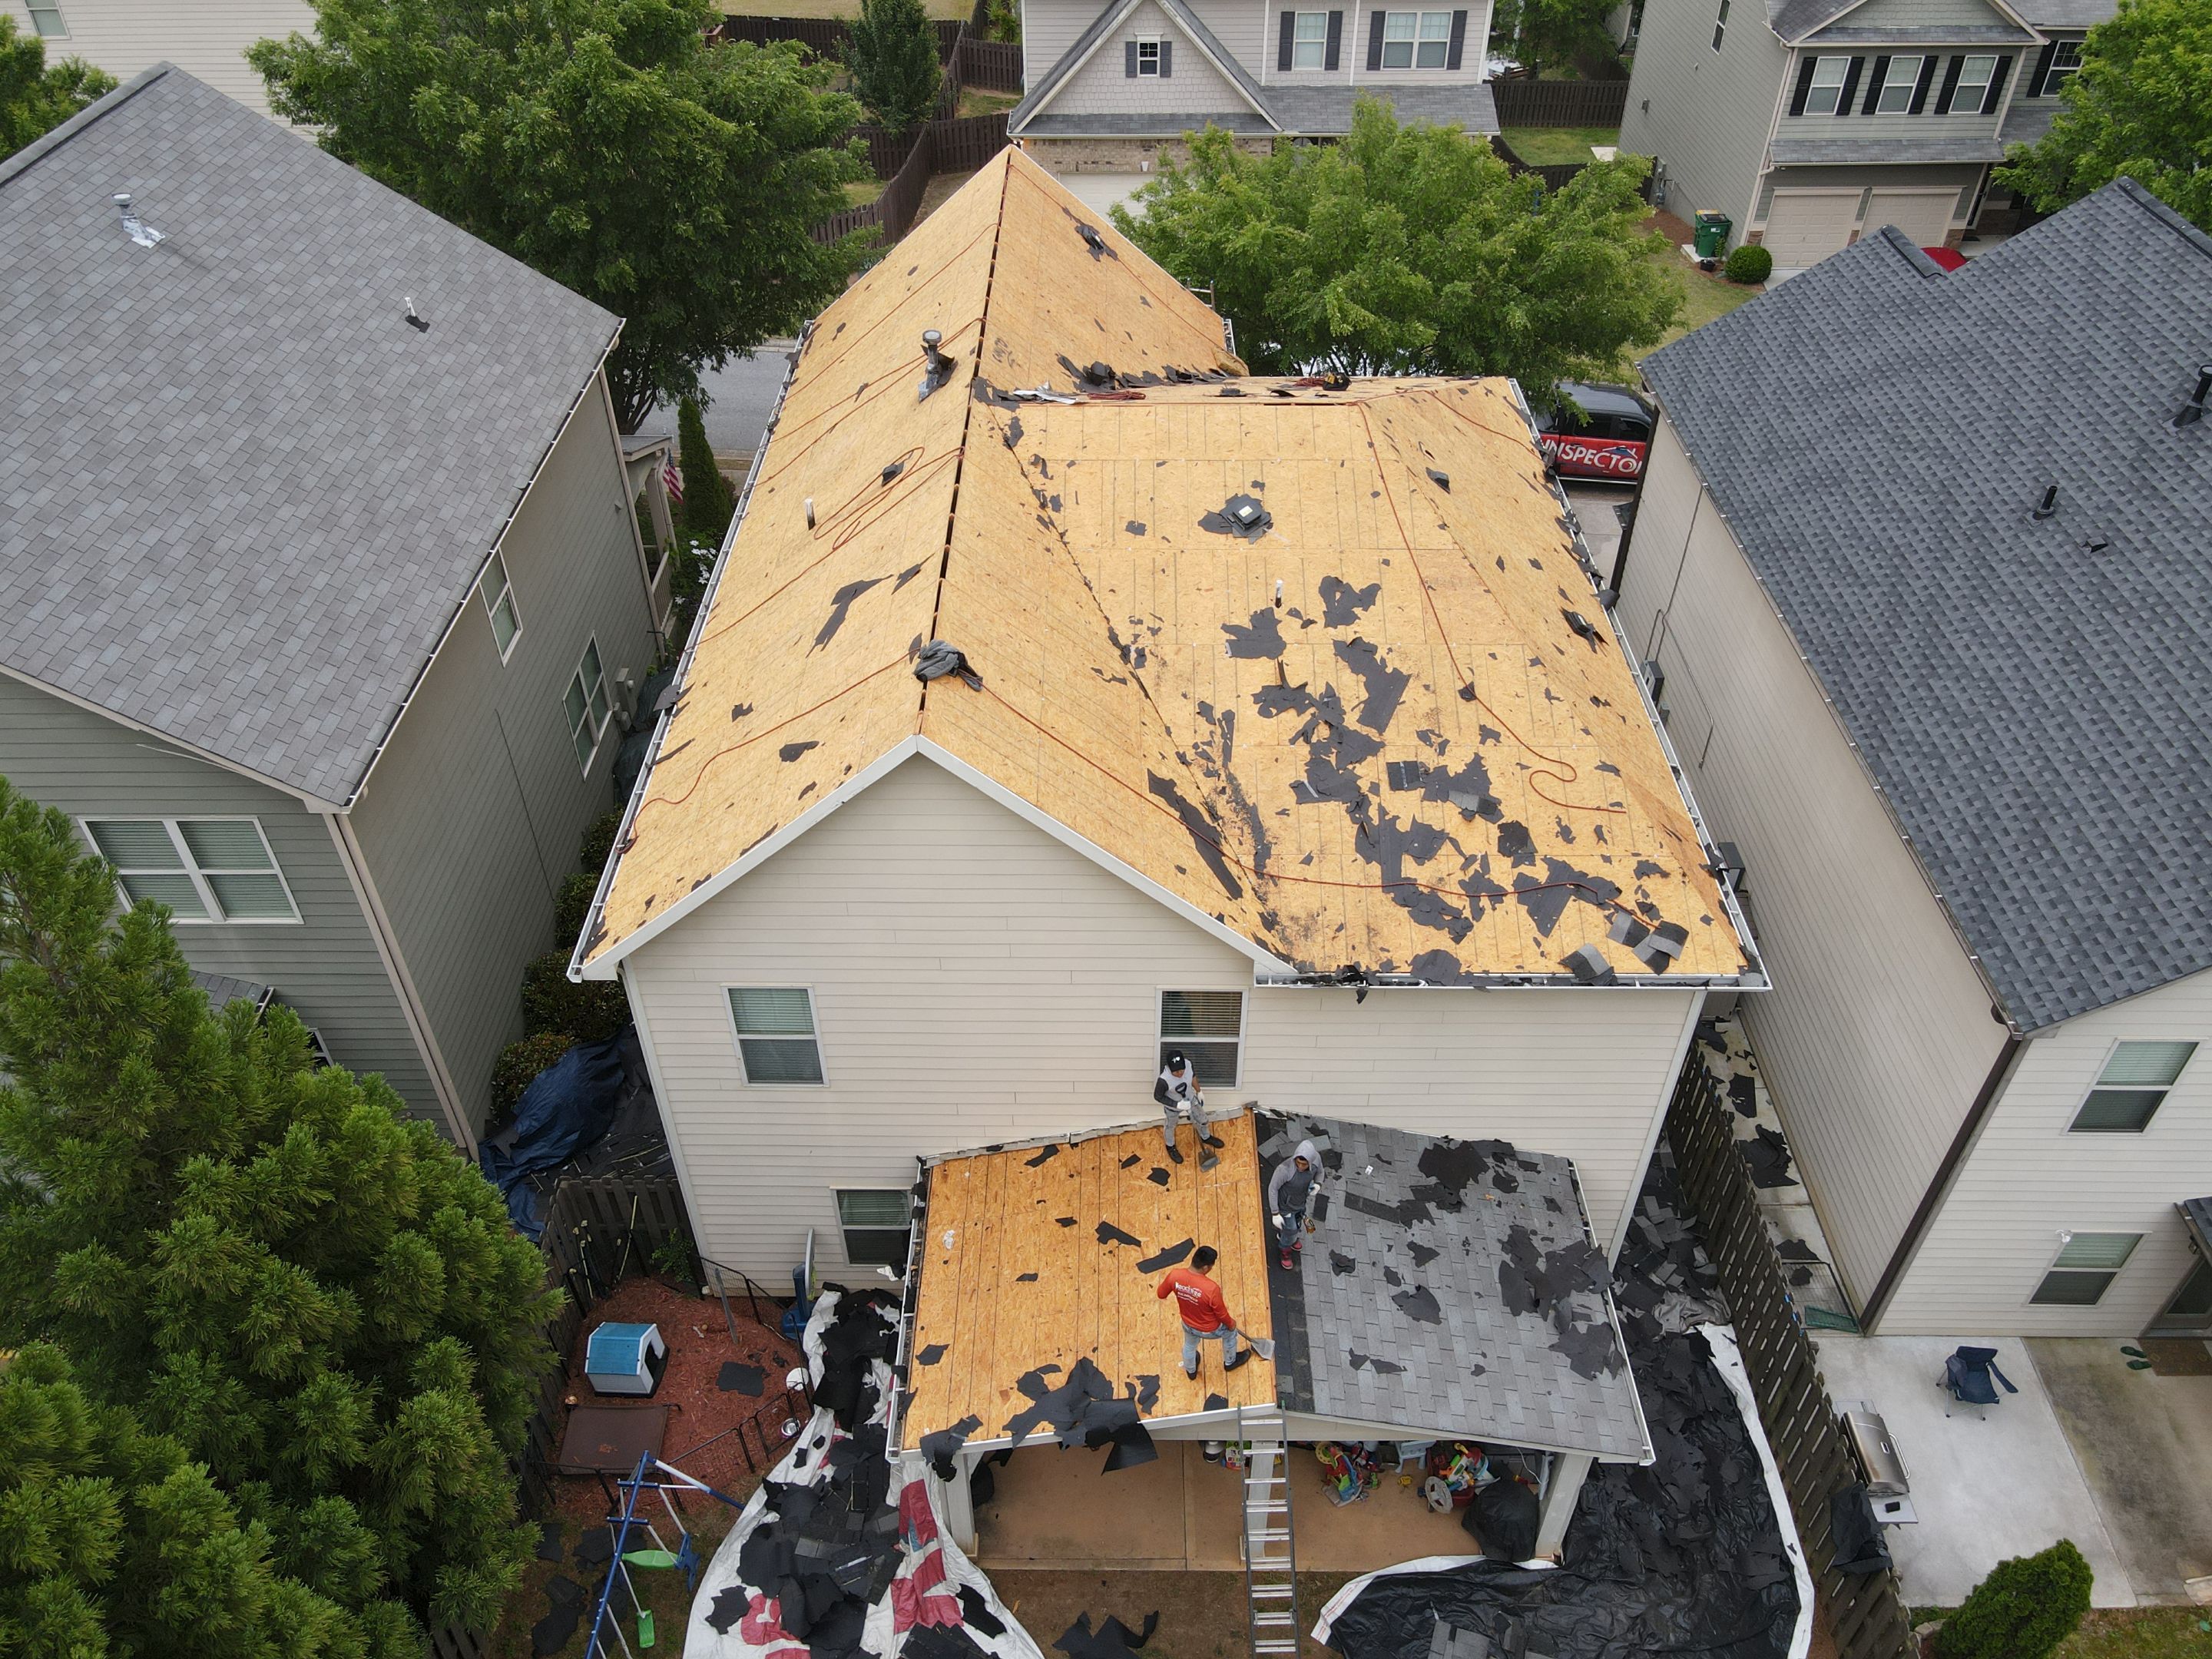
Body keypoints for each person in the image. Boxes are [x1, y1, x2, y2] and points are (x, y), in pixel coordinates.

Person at [1156, 1244, 1274, 1379]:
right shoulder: (1211, 1289)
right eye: (1211, 1267)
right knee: (1230, 1334)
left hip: (1188, 1324)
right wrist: (1231, 1324)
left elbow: (1161, 1294)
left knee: (1189, 1345)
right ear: (1206, 1267)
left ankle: (1191, 1370)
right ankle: (1230, 1362)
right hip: (1210, 1329)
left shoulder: (1175, 1275)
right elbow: (1221, 1314)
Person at [1154, 1049, 1220, 1170]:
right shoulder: (1164, 1080)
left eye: (1181, 1070)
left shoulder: (1188, 1065)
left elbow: (1193, 1076)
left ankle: (1206, 1137)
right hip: (1173, 1107)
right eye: (1176, 1072)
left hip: (1190, 1099)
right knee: (1170, 1126)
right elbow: (1158, 1096)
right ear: (1169, 1068)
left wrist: (1199, 1091)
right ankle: (1171, 1147)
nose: (1179, 1073)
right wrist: (1177, 1104)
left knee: (1203, 1119)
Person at [1266, 1139, 1322, 1270]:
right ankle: (1285, 1249)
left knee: (1297, 1222)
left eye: (1304, 1164)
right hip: (1286, 1207)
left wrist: (1319, 1184)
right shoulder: (1284, 1170)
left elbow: (1320, 1172)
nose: (1301, 1167)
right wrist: (1275, 1213)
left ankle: (1288, 1236)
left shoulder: (1316, 1159)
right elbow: (1272, 1189)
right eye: (1298, 1163)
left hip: (1301, 1202)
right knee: (1291, 1230)